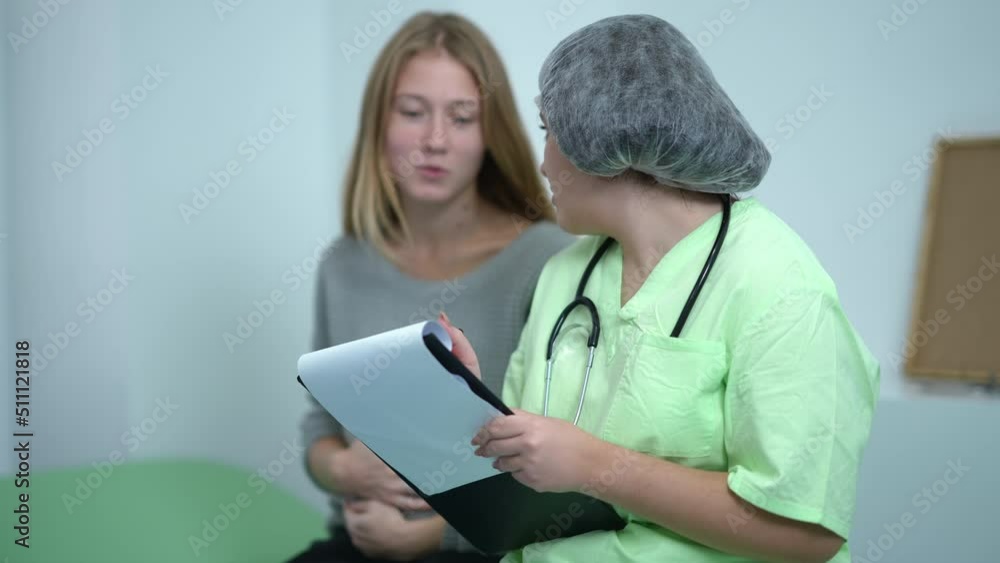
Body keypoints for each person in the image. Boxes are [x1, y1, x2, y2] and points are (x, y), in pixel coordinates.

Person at [441, 14, 881, 563]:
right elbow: (535, 473)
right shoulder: (565, 274)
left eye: (549, 131)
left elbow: (805, 533)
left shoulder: (780, 286)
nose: (544, 162)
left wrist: (598, 467)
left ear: (602, 134)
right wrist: (468, 403)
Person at [289, 12, 575, 563]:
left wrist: (433, 537)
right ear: (379, 122)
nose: (435, 140)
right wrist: (345, 470)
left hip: (493, 551)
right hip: (355, 547)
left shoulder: (549, 260)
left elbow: (564, 464)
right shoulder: (343, 264)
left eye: (462, 118)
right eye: (413, 112)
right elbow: (319, 425)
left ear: (491, 133)